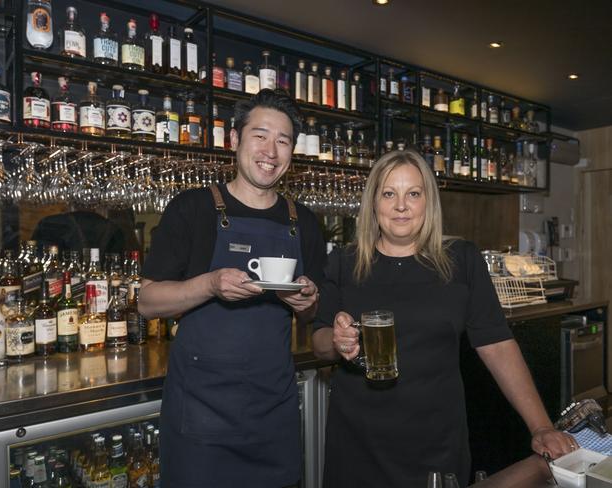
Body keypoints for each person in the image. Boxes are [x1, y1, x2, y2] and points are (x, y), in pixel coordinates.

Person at [311, 149, 577, 488]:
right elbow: (319, 341)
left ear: (429, 202)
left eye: (414, 193)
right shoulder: (345, 262)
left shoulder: (461, 260)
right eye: (389, 193)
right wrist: (336, 340)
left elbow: (496, 344)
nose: (401, 205)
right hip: (357, 442)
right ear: (373, 202)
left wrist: (540, 426)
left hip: (436, 440)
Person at [139, 89, 326, 487]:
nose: (270, 151)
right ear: (235, 140)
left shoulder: (304, 222)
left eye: (283, 140)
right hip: (202, 416)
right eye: (259, 135)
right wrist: (209, 284)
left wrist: (305, 301)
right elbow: (147, 302)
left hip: (272, 414)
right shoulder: (193, 209)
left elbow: (312, 314)